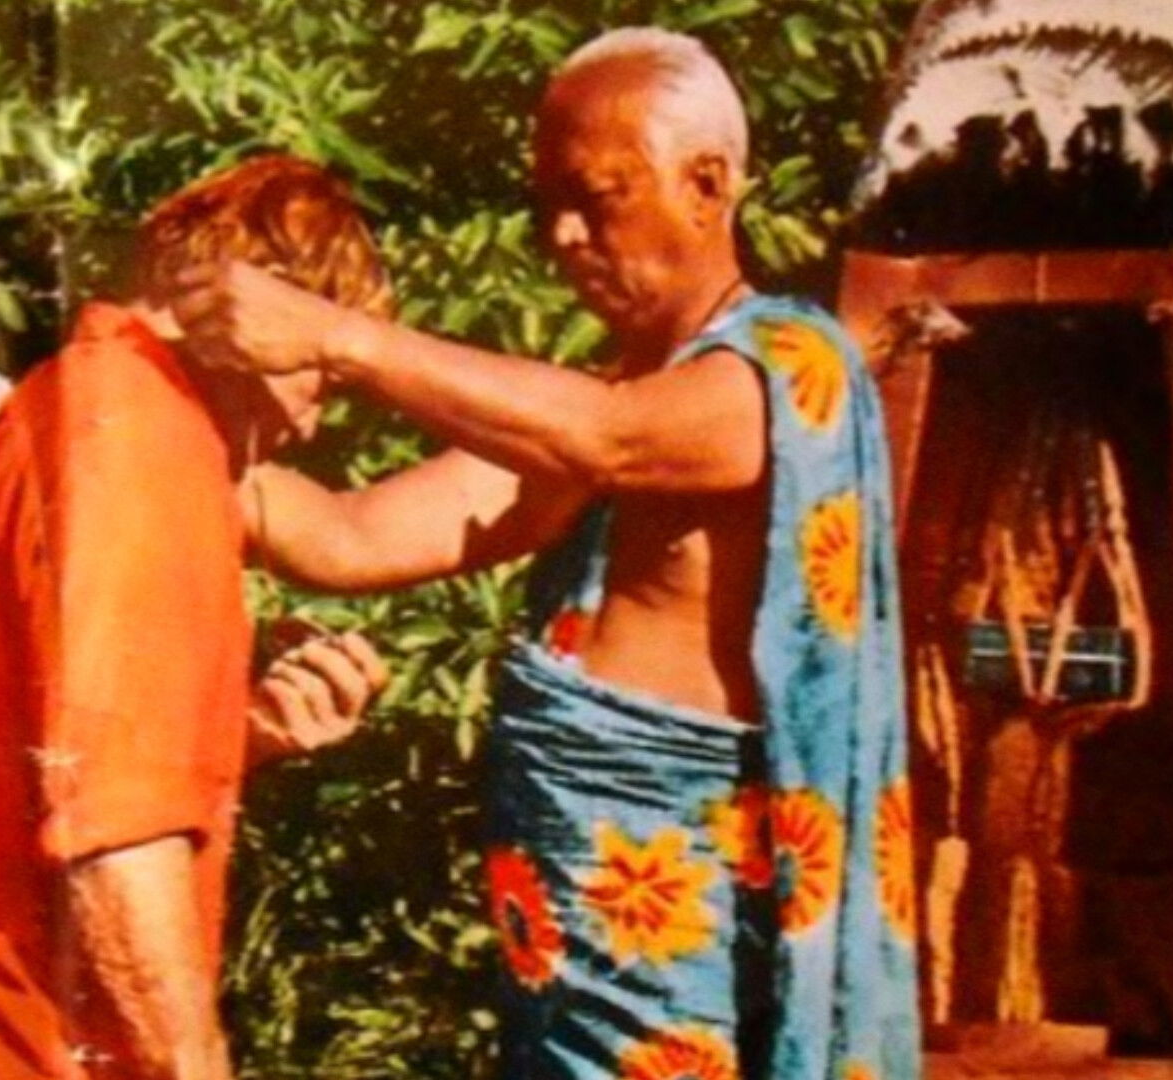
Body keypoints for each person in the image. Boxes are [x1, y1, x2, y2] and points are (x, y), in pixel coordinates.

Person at [178, 29, 922, 1080]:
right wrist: (138, 446)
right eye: (550, 206)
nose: (565, 236)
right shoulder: (600, 406)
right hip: (574, 933)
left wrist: (336, 335)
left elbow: (607, 440)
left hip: (690, 926)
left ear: (708, 184)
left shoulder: (788, 372)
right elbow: (348, 535)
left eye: (598, 198)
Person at [0, 154, 393, 1080]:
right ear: (259, 308)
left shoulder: (65, 404)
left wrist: (234, 735)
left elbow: (38, 760)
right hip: (3, 1045)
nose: (312, 425)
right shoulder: (145, 444)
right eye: (321, 376)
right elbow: (115, 835)